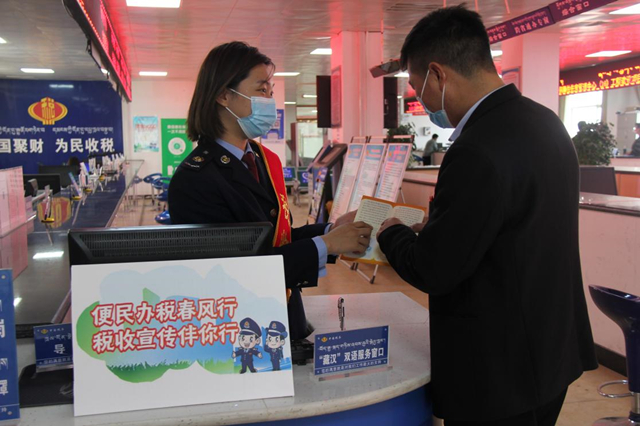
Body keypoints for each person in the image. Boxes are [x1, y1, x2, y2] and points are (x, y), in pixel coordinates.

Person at [376, 6, 597, 425]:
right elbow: (514, 225)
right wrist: (440, 228)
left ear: (438, 75)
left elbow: (434, 269)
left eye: (418, 89)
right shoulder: (545, 122)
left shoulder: (476, 149)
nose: (422, 102)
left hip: (501, 373)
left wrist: (391, 231)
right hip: (552, 350)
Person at [169, 42, 372, 341]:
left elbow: (278, 238)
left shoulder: (263, 160)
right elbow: (238, 271)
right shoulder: (196, 180)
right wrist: (325, 245)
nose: (270, 101)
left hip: (286, 315)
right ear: (223, 95)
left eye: (271, 90)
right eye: (261, 89)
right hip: (243, 333)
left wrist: (331, 231)